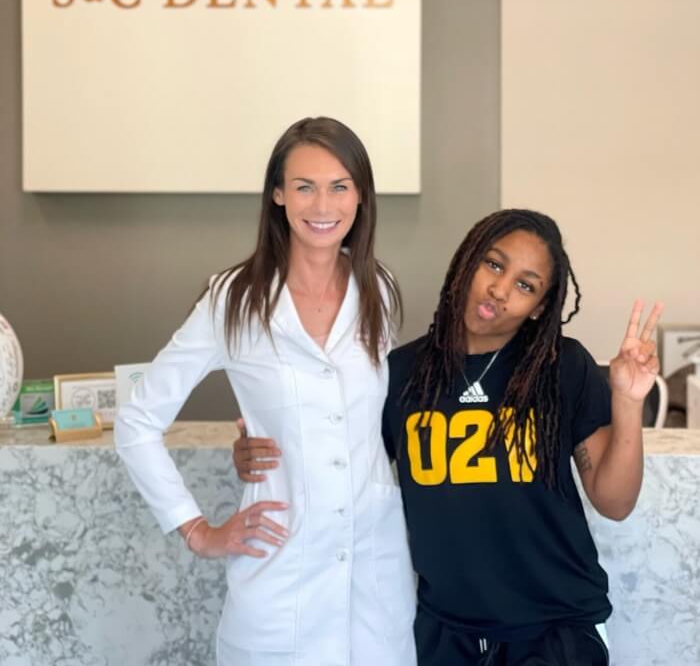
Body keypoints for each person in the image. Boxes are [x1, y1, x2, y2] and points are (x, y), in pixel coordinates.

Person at [234, 208, 663, 665]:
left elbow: (614, 503)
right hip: (443, 631)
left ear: (539, 307)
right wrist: (257, 450)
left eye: (525, 285)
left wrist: (628, 401)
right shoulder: (398, 374)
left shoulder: (562, 367)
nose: (499, 289)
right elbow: (336, 471)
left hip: (555, 629)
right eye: (494, 265)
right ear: (467, 262)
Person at [115, 116, 417, 666]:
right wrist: (198, 531)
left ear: (361, 196)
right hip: (280, 582)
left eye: (340, 185)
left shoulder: (381, 290)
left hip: (375, 584)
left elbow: (371, 425)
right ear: (278, 194)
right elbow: (136, 421)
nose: (322, 204)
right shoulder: (233, 299)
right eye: (304, 186)